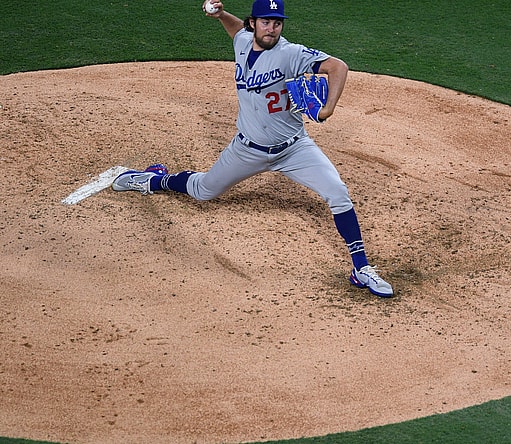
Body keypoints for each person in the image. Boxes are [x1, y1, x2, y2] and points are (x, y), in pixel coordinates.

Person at [112, 0, 393, 297]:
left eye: (277, 23)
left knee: (337, 192)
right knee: (203, 190)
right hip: (247, 150)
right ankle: (153, 179)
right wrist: (221, 15)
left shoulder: (290, 53)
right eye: (265, 22)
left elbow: (338, 67)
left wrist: (328, 109)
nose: (271, 29)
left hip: (294, 149)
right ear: (253, 24)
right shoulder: (243, 42)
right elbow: (236, 31)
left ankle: (361, 268)